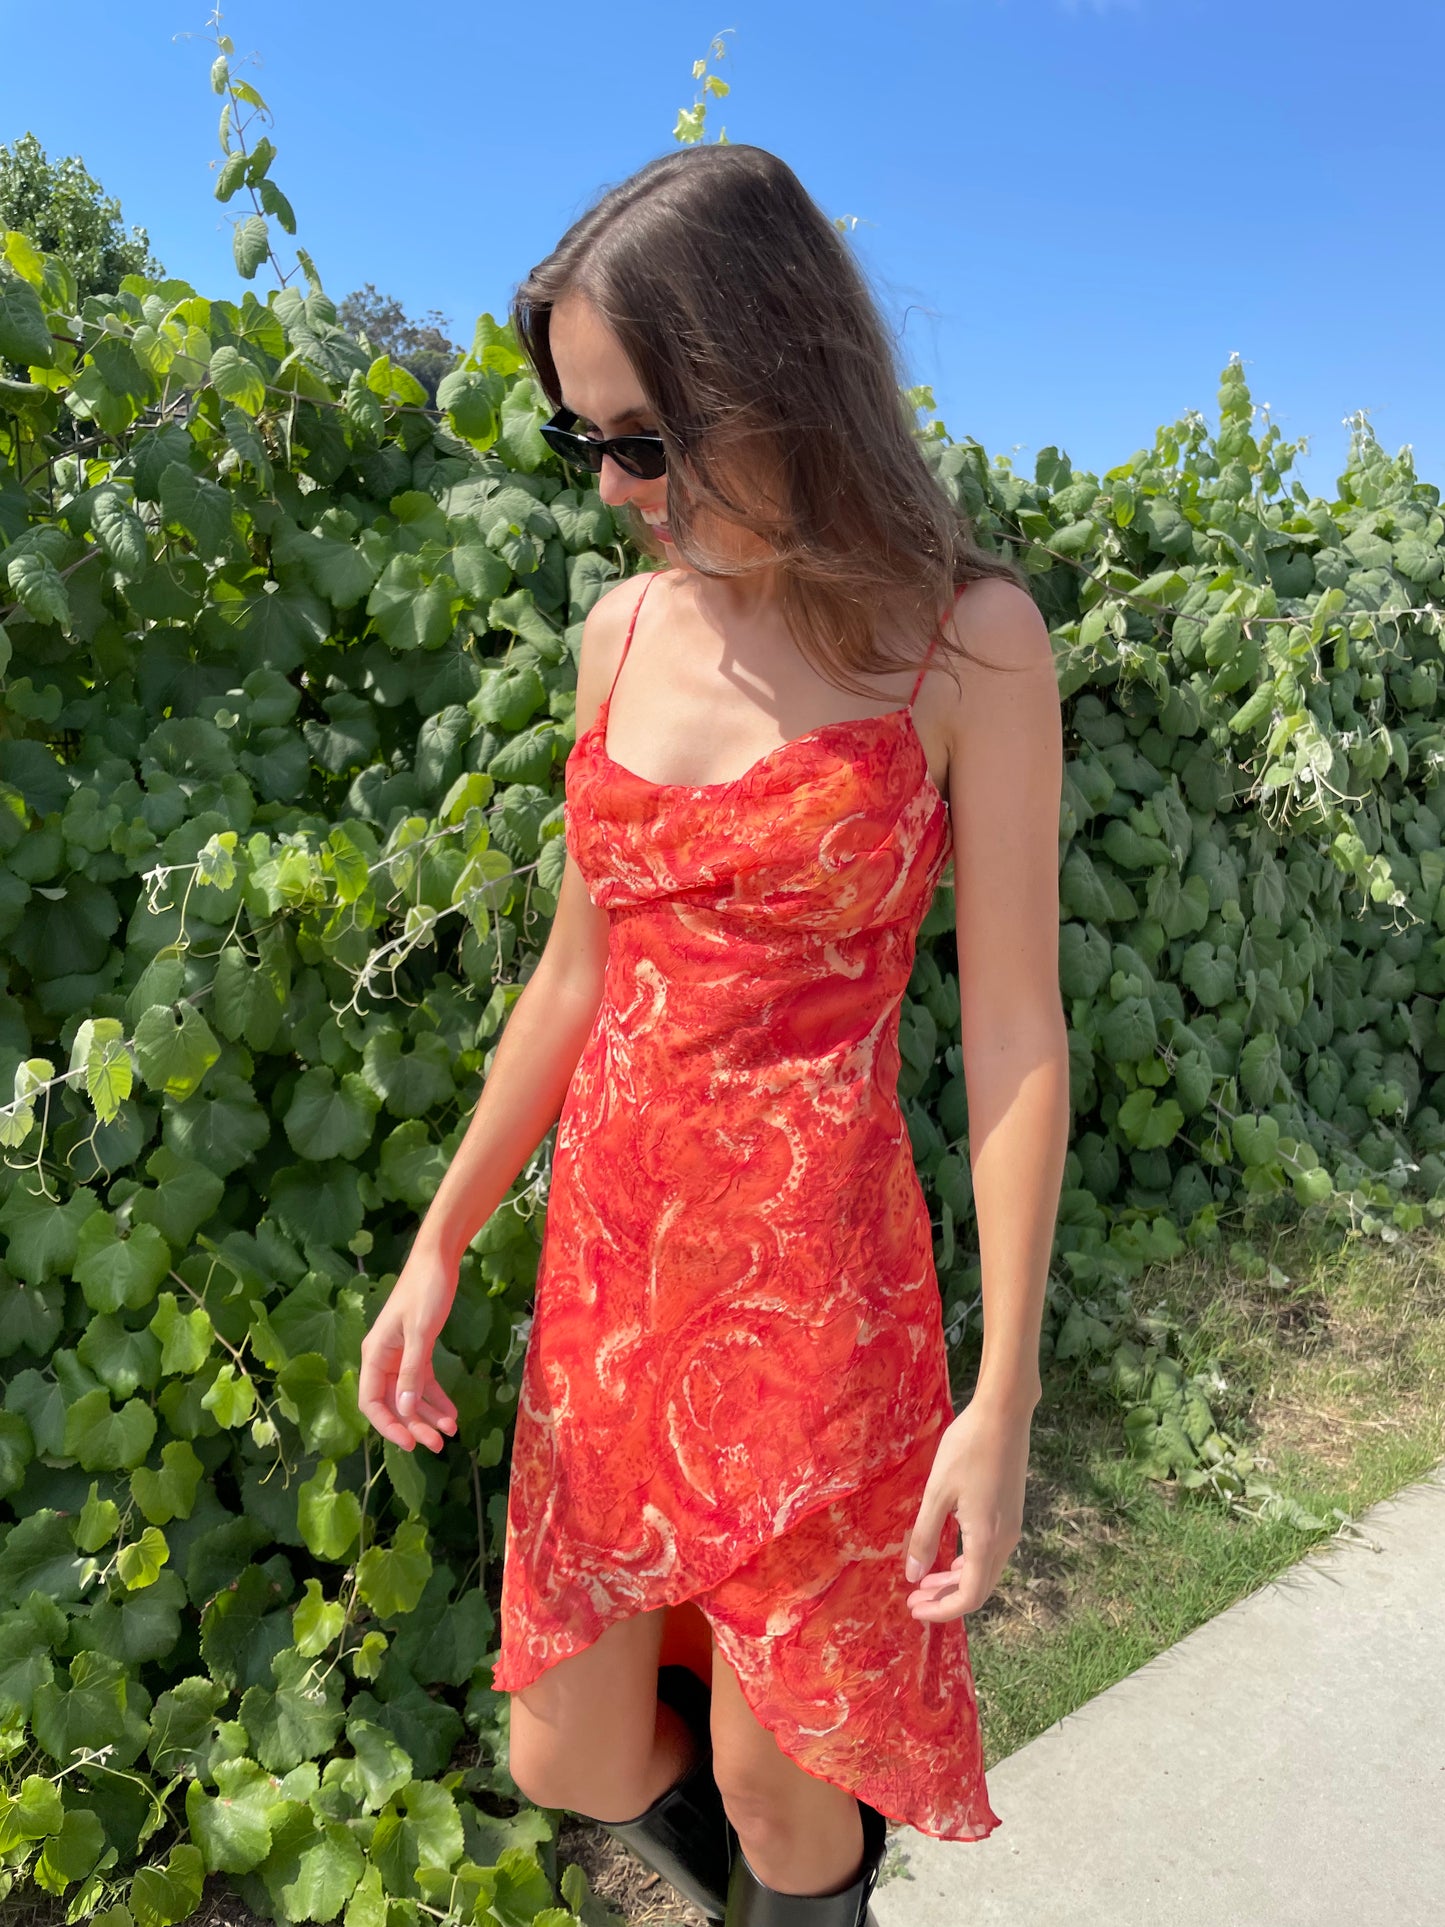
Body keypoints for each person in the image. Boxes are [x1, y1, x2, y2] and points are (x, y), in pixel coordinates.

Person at [359, 143, 1069, 1927]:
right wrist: (442, 1243)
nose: (610, 488)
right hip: (615, 1277)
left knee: (778, 1782)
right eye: (582, 441)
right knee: (566, 1759)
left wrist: (1002, 1391)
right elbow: (570, 979)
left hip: (818, 1297)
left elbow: (1010, 1034)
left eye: (645, 442)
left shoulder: (969, 648)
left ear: (781, 380)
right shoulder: (616, 637)